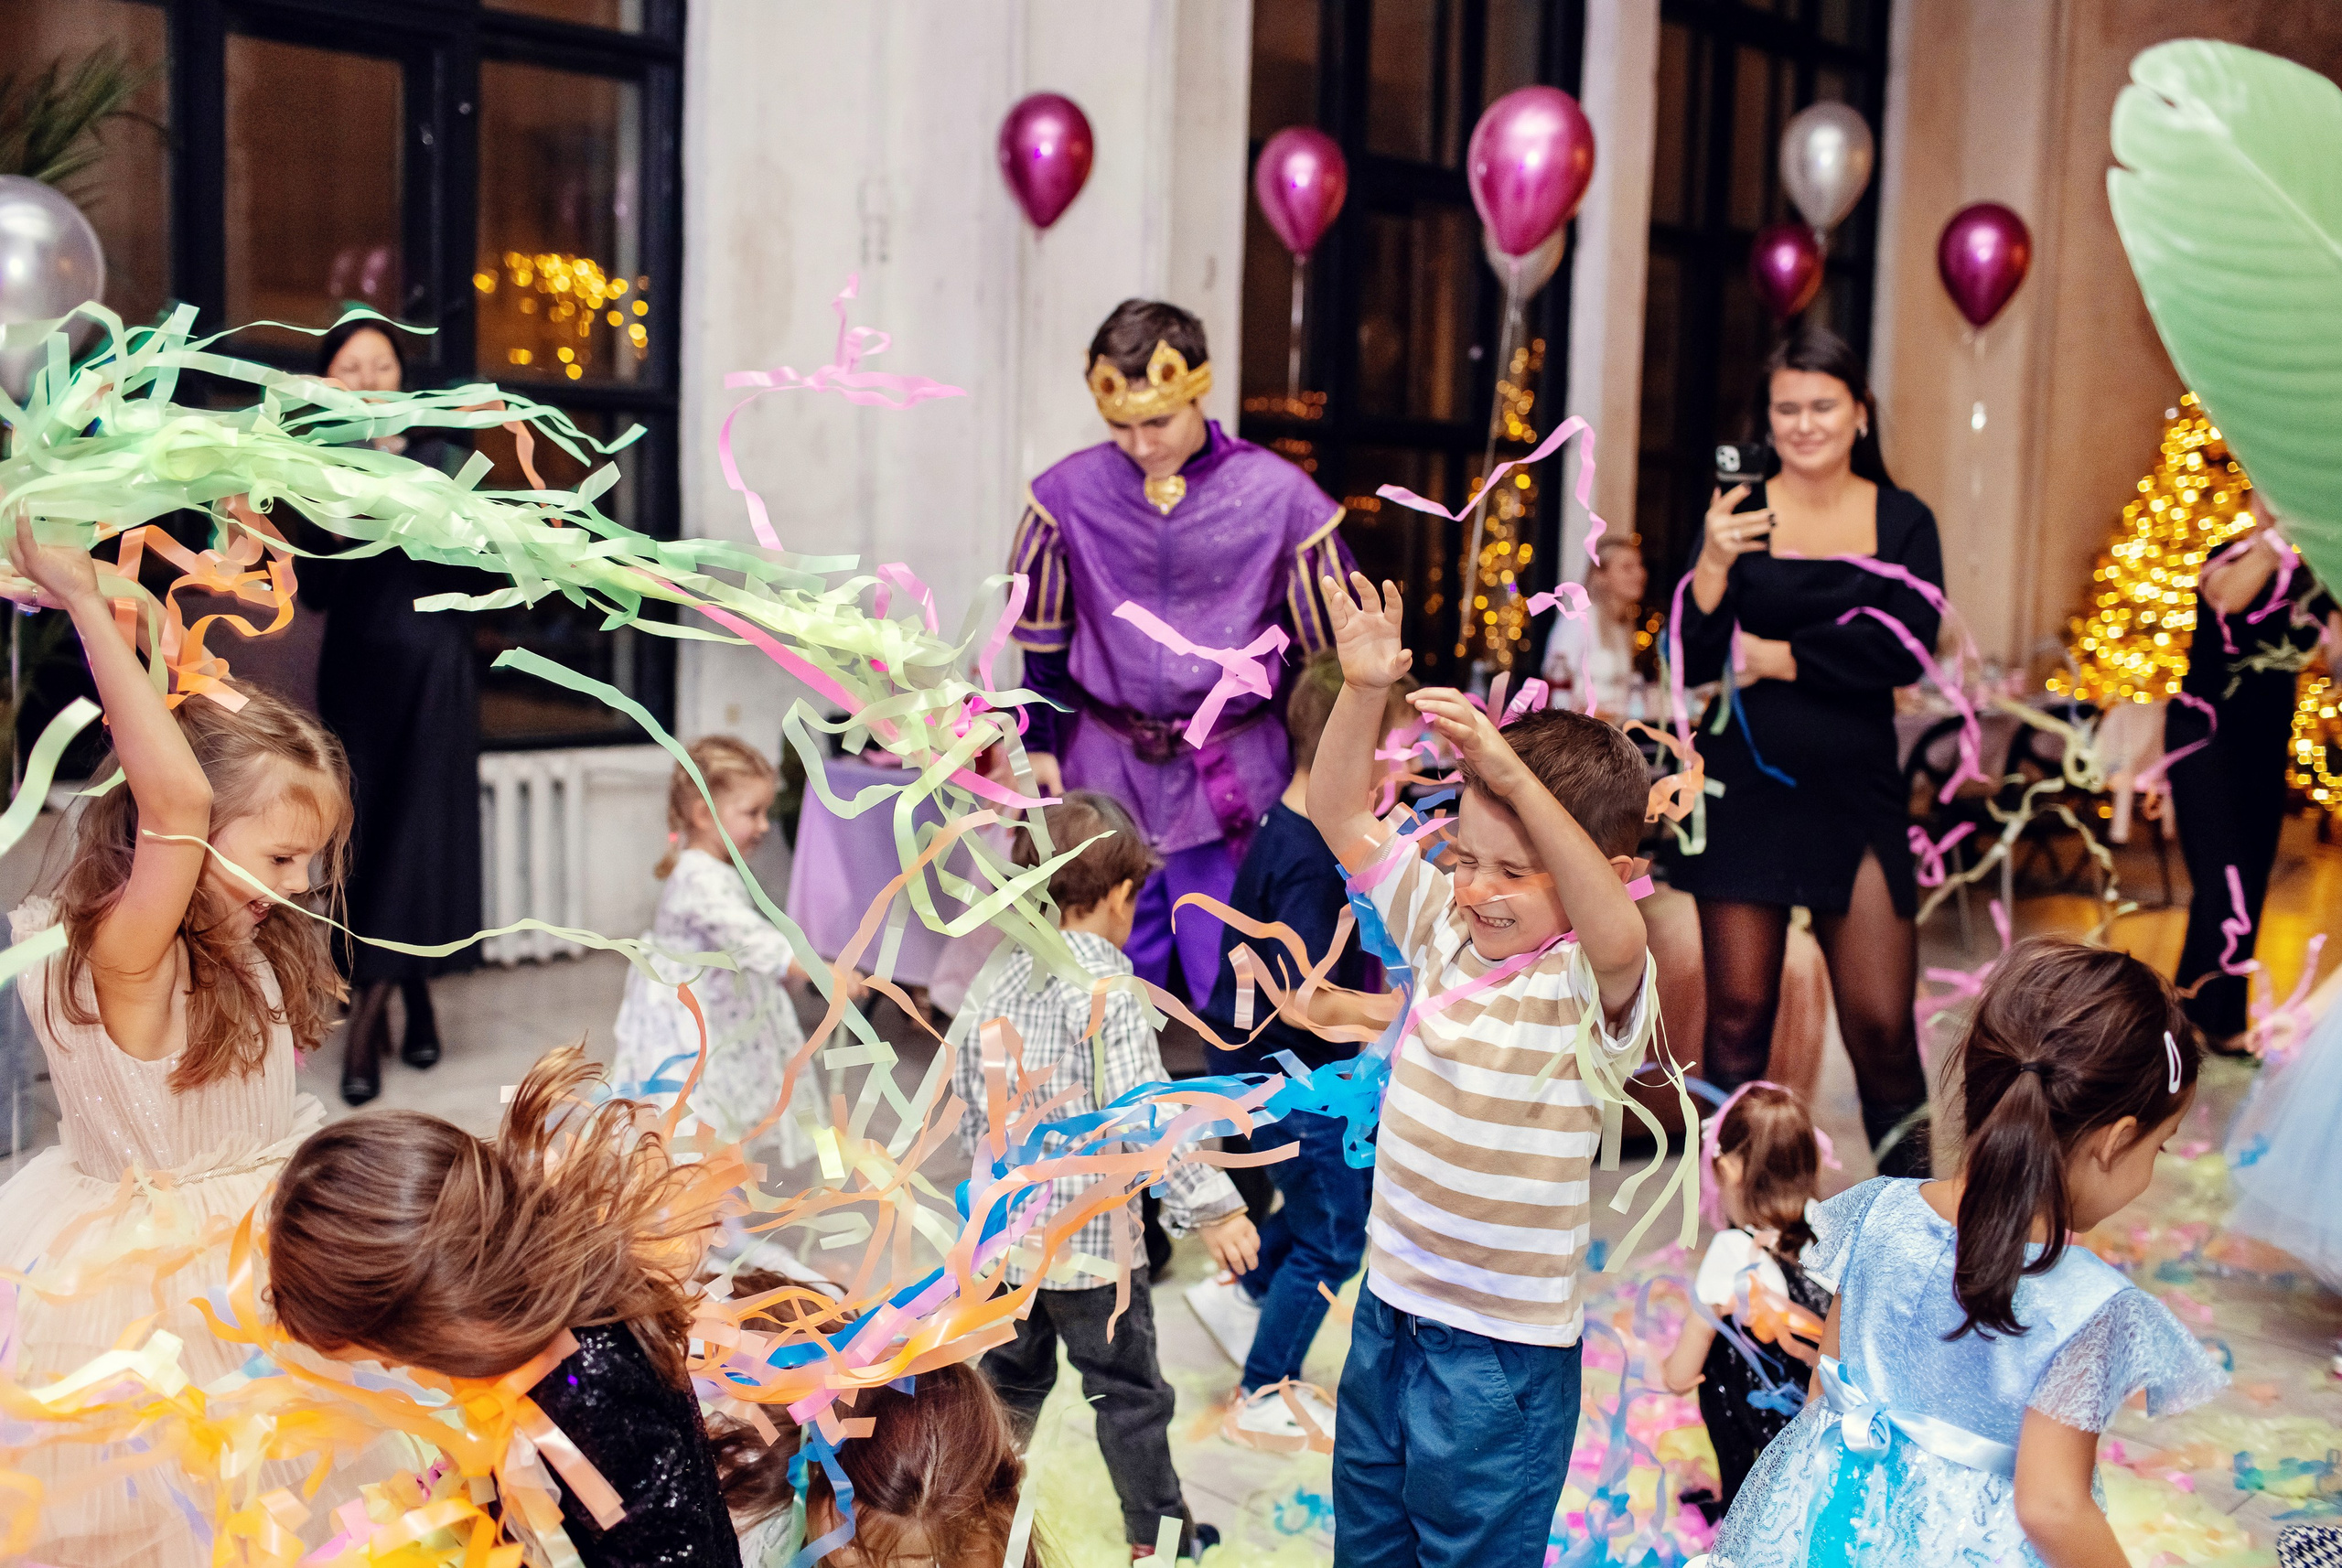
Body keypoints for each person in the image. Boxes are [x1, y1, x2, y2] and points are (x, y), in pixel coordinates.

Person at [0, 516, 355, 1563]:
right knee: (176, 1514)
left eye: (312, 861)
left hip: (258, 1249)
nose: (300, 887)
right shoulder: (129, 955)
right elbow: (182, 796)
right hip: (156, 1294)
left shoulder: (237, 942)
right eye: (283, 857)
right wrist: (86, 611)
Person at [1310, 572, 1657, 1568]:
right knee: (1369, 1544)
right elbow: (1338, 811)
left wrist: (1509, 765)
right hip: (1390, 1314)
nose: (1477, 891)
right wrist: (1362, 688)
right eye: (1464, 859)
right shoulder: (1438, 931)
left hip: (1500, 1359)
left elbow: (1616, 925)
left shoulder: (1590, 984)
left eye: (1514, 871)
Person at [1704, 940, 2226, 1568]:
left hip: (1831, 1524)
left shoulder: (1877, 1212)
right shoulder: (2088, 1304)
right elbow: (2051, 1507)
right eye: (2159, 1148)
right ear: (2115, 1143)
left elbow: (1828, 1387)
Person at [265, 1046, 741, 1567]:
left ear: (435, 1317)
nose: (406, 1372)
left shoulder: (587, 1388)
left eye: (392, 1358)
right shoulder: (526, 1329)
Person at [1006, 298, 1355, 1007]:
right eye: (1121, 426)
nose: (1141, 444)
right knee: (1087, 982)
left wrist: (1333, 769)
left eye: (1157, 421)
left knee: (1248, 983)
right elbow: (1042, 646)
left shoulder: (1283, 498)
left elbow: (1330, 662)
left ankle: (1247, 1119)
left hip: (1237, 772)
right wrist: (1035, 742)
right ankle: (1094, 1116)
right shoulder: (1066, 495)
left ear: (1198, 389)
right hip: (1103, 765)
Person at [946, 790, 1259, 1563]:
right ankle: (1160, 1538)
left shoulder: (1001, 980)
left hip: (1009, 1246)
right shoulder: (1110, 988)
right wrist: (1212, 1209)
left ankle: (971, 1525)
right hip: (1092, 1255)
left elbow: (965, 1095)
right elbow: (1142, 1113)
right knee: (1128, 1396)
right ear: (1120, 896)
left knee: (1009, 1389)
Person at [1669, 322, 1941, 1177]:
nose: (1804, 423)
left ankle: (1916, 1234)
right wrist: (1710, 565)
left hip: (1857, 793)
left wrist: (1783, 657)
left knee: (1885, 1030)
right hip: (1743, 792)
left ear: (1859, 413)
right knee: (1738, 1023)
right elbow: (1690, 660)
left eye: (1822, 405)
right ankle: (1740, 1233)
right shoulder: (1739, 515)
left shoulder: (1902, 519)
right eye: (1786, 408)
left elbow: (1909, 646)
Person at [1186, 651, 1410, 1427]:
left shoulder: (1291, 829)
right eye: (1399, 760)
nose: (1405, 780)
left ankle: (1245, 1294)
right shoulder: (1314, 863)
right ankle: (1262, 1389)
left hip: (1262, 1067)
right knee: (1337, 1239)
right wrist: (1402, 1019)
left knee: (1320, 1206)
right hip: (1293, 1080)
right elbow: (1303, 1000)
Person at [306, 317, 484, 1105]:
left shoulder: (446, 463)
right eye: (352, 366)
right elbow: (315, 592)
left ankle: (370, 1019)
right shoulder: (315, 470)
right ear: (326, 381)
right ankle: (410, 996)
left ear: (402, 379)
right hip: (356, 675)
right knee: (363, 836)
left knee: (423, 835)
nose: (370, 377)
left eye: (382, 364)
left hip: (436, 674)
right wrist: (339, 508)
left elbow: (484, 585)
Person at [612, 736, 841, 1167]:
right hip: (688, 1023)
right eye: (751, 813)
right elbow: (742, 933)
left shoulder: (712, 867)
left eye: (766, 813)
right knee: (695, 1115)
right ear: (703, 814)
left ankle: (717, 1216)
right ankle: (685, 1216)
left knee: (718, 1116)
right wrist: (812, 968)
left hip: (717, 1011)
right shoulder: (698, 876)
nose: (764, 826)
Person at [712, 1273, 1046, 1568]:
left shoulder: (991, 1541)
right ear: (817, 1475)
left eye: (933, 1562)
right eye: (861, 1552)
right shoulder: (744, 1528)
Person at [2165, 488, 2339, 1052]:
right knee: (2220, 882)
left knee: (2248, 883)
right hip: (2204, 736)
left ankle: (2216, 1022)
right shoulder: (2230, 556)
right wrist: (2275, 536)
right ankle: (2187, 1020)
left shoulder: (2314, 583)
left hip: (2265, 743)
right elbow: (2227, 601)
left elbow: (2335, 652)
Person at [1661, 1083, 1829, 1513]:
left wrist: (1668, 1372)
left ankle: (1742, 1510)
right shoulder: (1833, 1235)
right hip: (1827, 1426)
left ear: (1732, 1168)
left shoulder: (1733, 1253)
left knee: (1720, 1354)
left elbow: (1682, 1373)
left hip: (1766, 1430)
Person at [1541, 533, 1655, 720]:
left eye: (1640, 565)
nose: (1640, 574)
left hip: (1615, 730)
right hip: (1583, 733)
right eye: (1627, 568)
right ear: (1600, 575)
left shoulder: (1622, 624)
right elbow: (1555, 687)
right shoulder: (1578, 621)